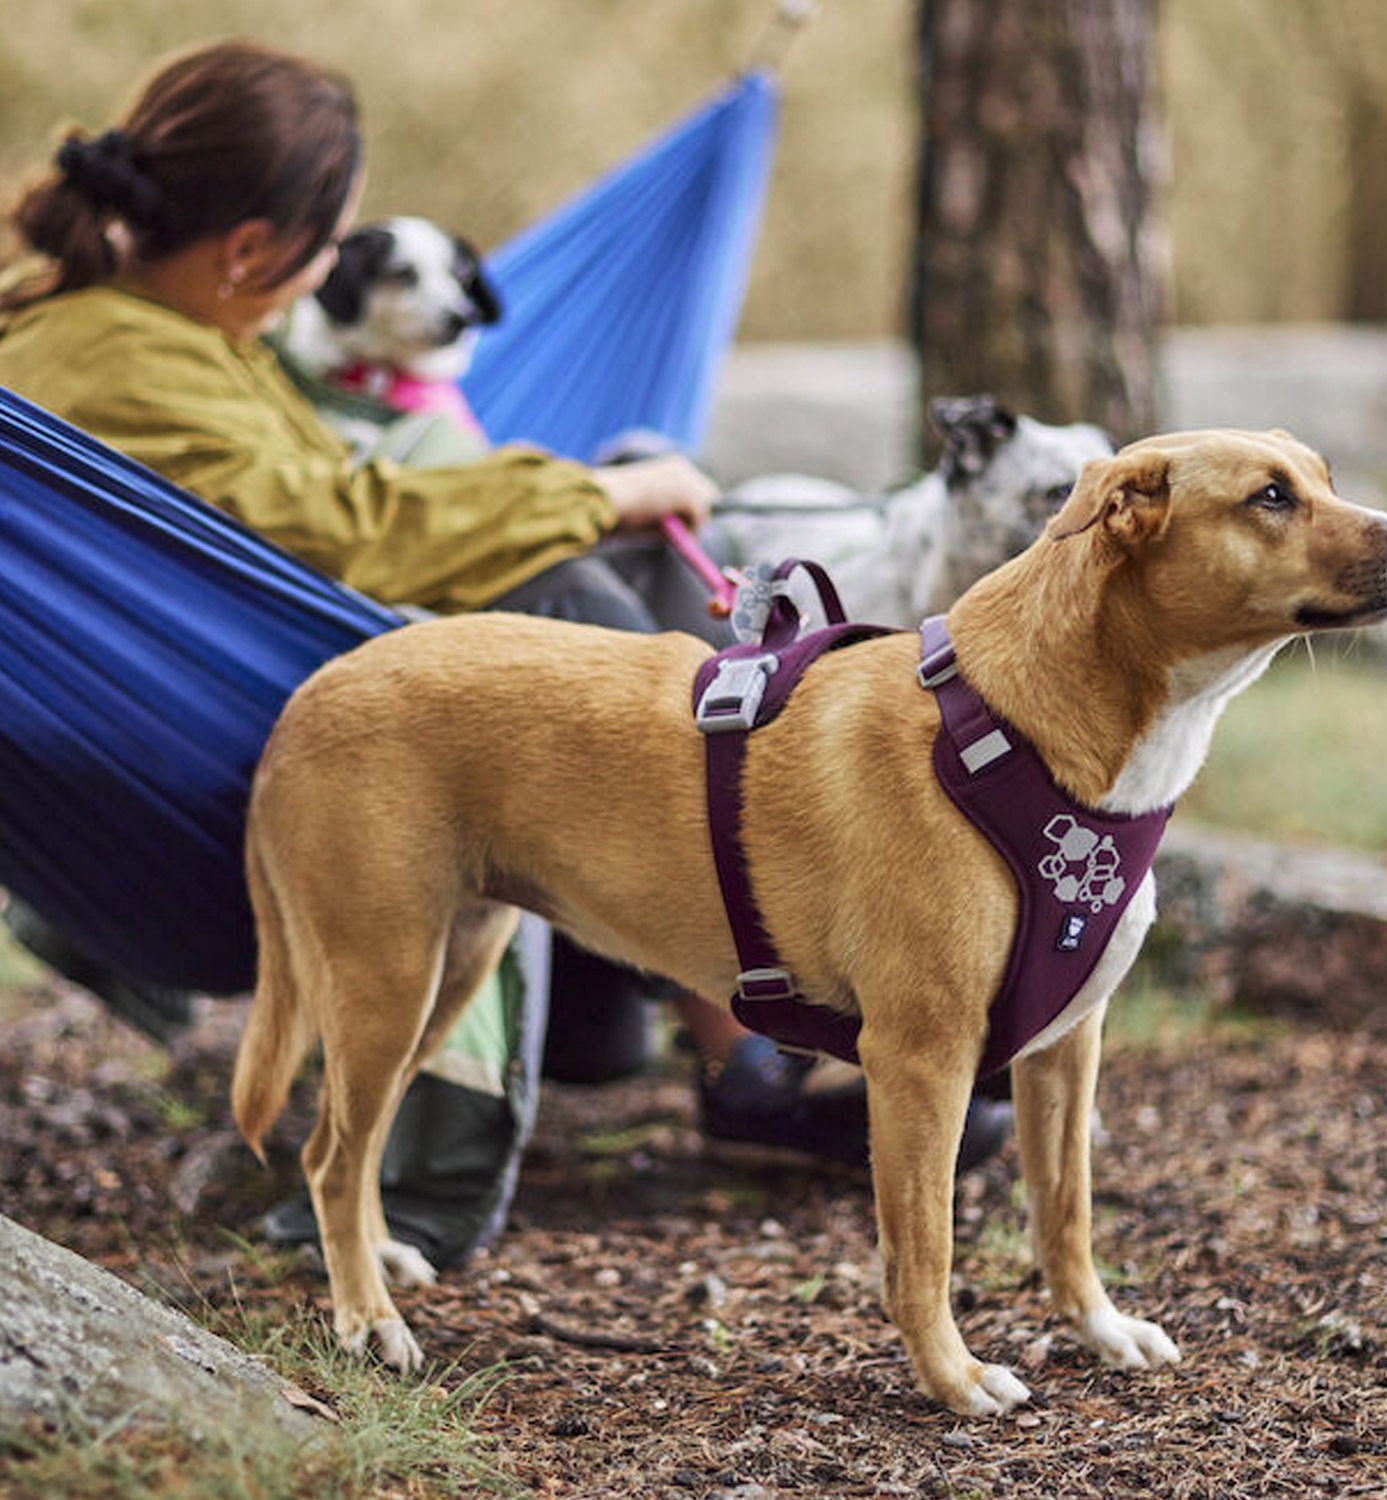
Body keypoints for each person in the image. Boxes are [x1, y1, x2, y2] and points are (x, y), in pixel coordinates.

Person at [0, 38, 1011, 1268]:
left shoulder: (152, 330)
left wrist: (601, 490)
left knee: (619, 583)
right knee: (573, 615)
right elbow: (348, 524)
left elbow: (325, 496)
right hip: (252, 743)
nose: (321, 276)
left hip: (239, 684)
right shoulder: (121, 357)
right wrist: (593, 493)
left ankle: (705, 1019)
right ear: (255, 251)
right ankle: (736, 1038)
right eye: (329, 248)